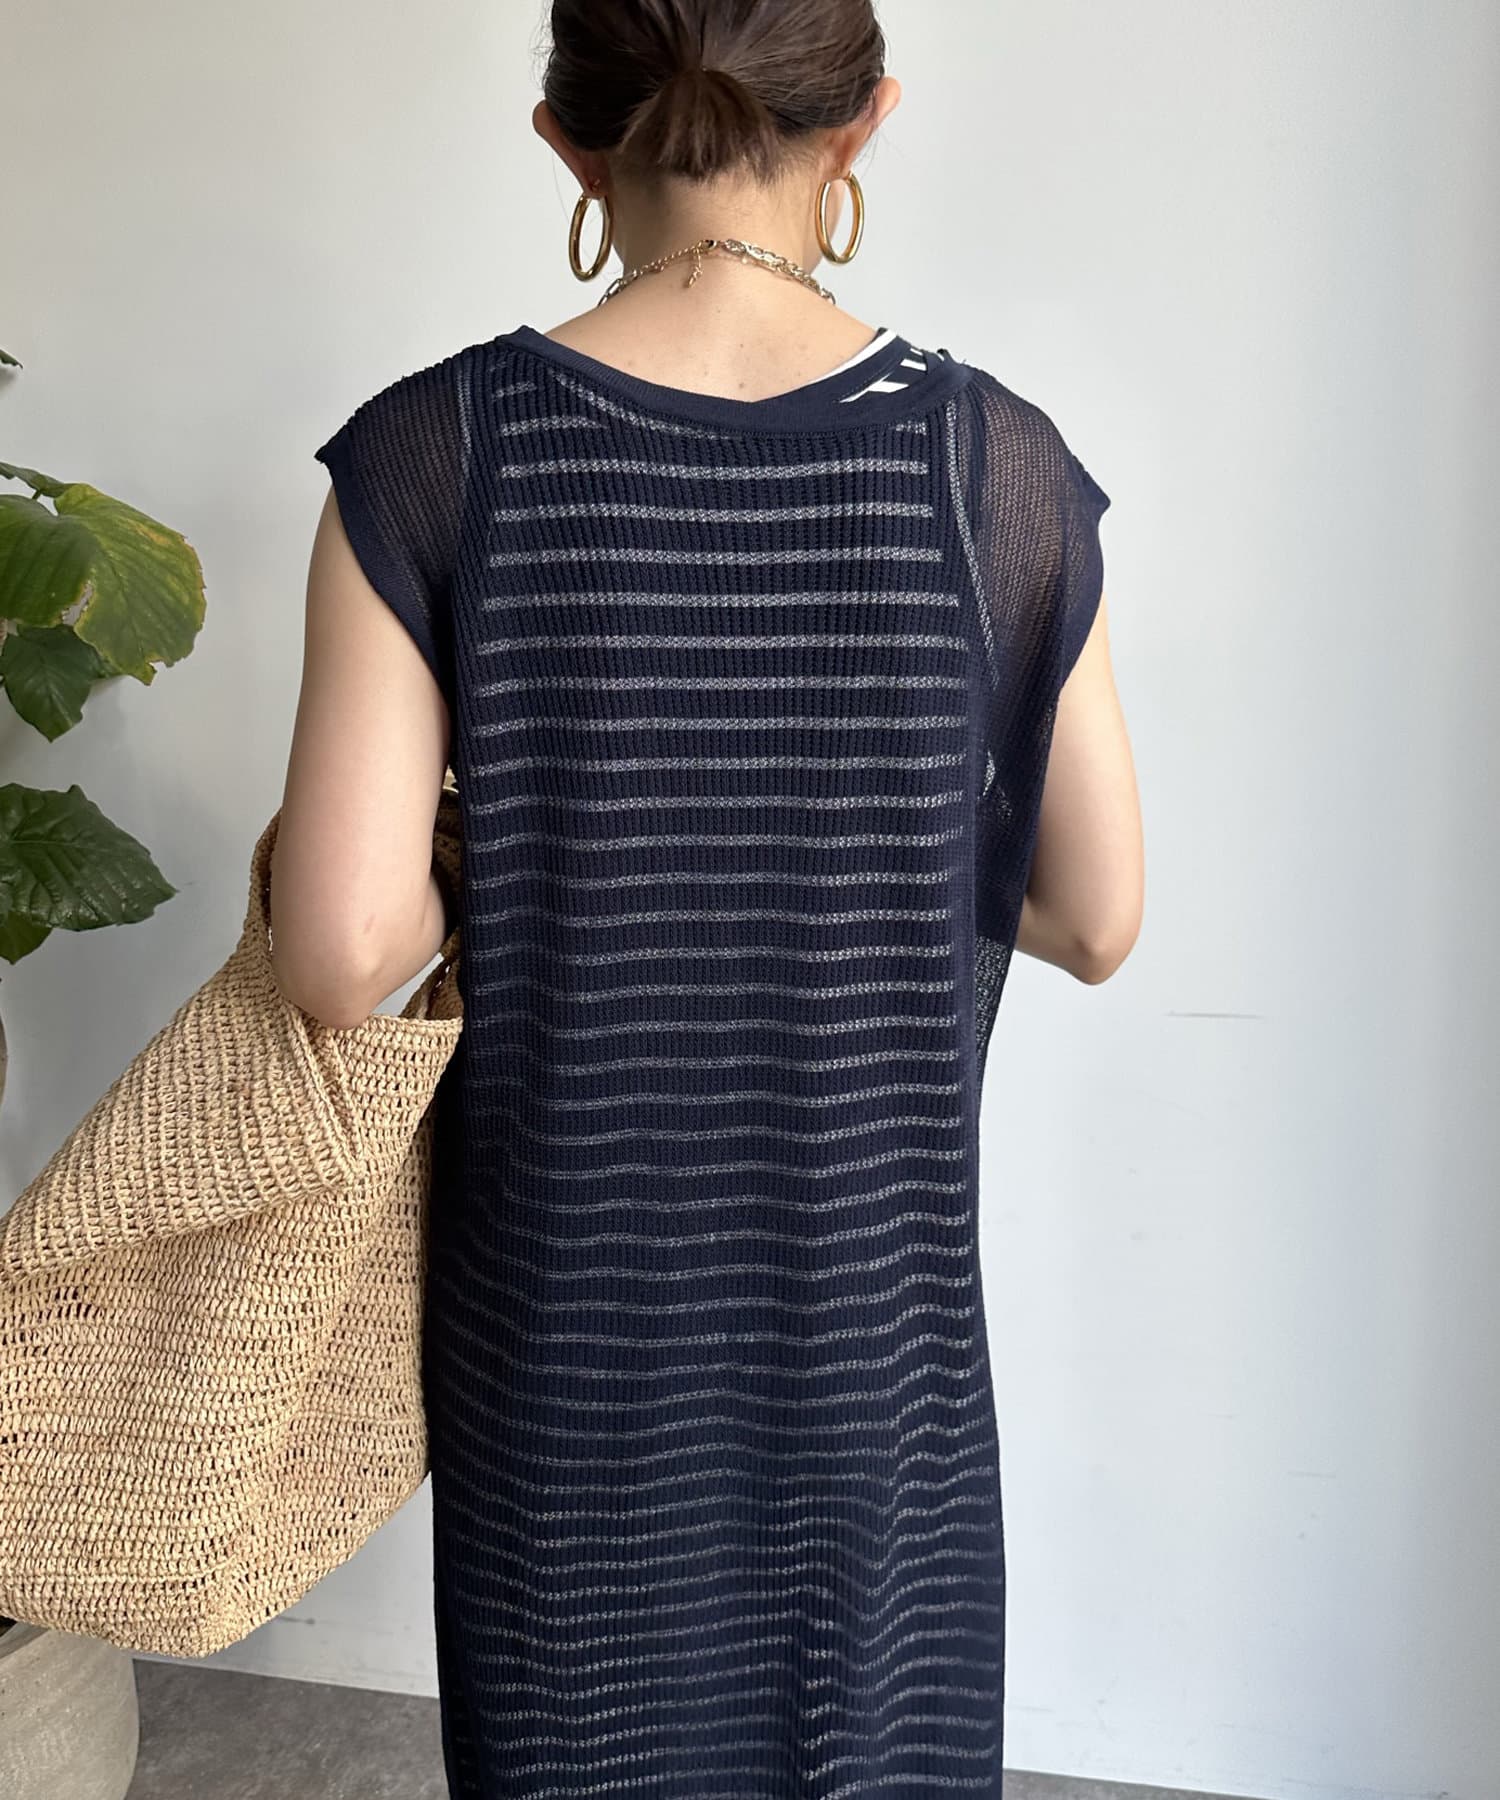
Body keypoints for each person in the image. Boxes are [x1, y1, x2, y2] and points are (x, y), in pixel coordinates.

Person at [269, 1, 1144, 1792]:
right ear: (864, 123)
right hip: (872, 1331)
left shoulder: (435, 456)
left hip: (569, 1332)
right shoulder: (996, 468)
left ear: (568, 142)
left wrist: (518, 844)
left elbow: (342, 959)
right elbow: (1095, 916)